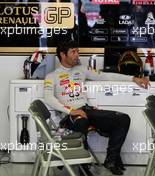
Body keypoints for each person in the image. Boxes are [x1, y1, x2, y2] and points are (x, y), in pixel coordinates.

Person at [44, 40, 149, 175]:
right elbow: (48, 98)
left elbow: (105, 75)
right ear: (63, 55)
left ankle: (111, 159)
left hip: (87, 110)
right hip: (69, 116)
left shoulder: (82, 69)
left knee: (122, 119)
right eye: (73, 52)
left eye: (78, 52)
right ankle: (83, 167)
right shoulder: (51, 76)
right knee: (81, 121)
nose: (77, 55)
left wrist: (133, 78)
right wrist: (71, 110)